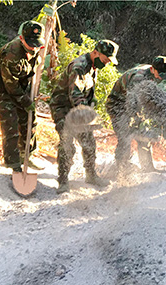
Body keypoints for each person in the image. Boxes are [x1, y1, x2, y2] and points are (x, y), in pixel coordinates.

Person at [50, 39, 119, 194]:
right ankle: (63, 181)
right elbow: (75, 94)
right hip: (63, 108)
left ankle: (91, 175)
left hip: (78, 108)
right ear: (96, 52)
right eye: (106, 59)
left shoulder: (94, 66)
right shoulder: (79, 67)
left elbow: (87, 92)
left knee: (89, 142)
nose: (107, 63)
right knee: (67, 143)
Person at [106, 56, 166, 177]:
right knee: (125, 136)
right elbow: (132, 104)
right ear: (152, 69)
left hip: (133, 104)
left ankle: (147, 167)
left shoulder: (153, 74)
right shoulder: (139, 78)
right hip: (118, 105)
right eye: (160, 74)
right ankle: (121, 170)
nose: (161, 78)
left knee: (144, 134)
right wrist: (139, 120)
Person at [0, 20, 45, 173]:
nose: (34, 47)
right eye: (30, 44)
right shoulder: (11, 54)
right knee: (11, 124)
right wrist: (26, 101)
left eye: (36, 44)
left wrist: (29, 98)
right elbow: (11, 86)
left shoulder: (35, 48)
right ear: (21, 39)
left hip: (20, 88)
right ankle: (13, 164)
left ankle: (26, 155)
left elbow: (30, 73)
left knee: (30, 120)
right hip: (3, 90)